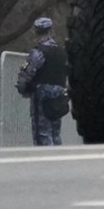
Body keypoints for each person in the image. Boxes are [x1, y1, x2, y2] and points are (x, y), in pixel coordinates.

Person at [14, 17, 69, 146]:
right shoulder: (62, 51)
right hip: (59, 94)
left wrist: (22, 88)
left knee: (42, 132)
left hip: (42, 95)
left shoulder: (38, 52)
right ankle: (58, 155)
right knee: (55, 132)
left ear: (36, 31)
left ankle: (44, 156)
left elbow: (28, 72)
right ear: (50, 30)